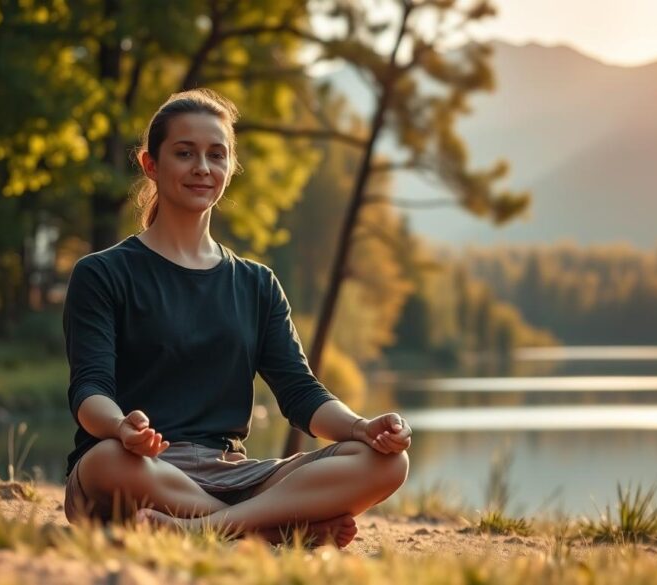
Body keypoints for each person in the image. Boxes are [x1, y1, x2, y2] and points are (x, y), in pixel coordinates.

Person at [62, 88, 411, 548]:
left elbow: (301, 394)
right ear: (151, 165)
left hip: (234, 473)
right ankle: (274, 530)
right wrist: (121, 427)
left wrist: (361, 427)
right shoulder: (103, 273)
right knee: (103, 460)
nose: (202, 168)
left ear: (230, 168)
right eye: (184, 153)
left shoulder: (256, 283)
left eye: (216, 155)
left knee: (387, 463)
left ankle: (211, 530)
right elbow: (89, 391)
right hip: (141, 468)